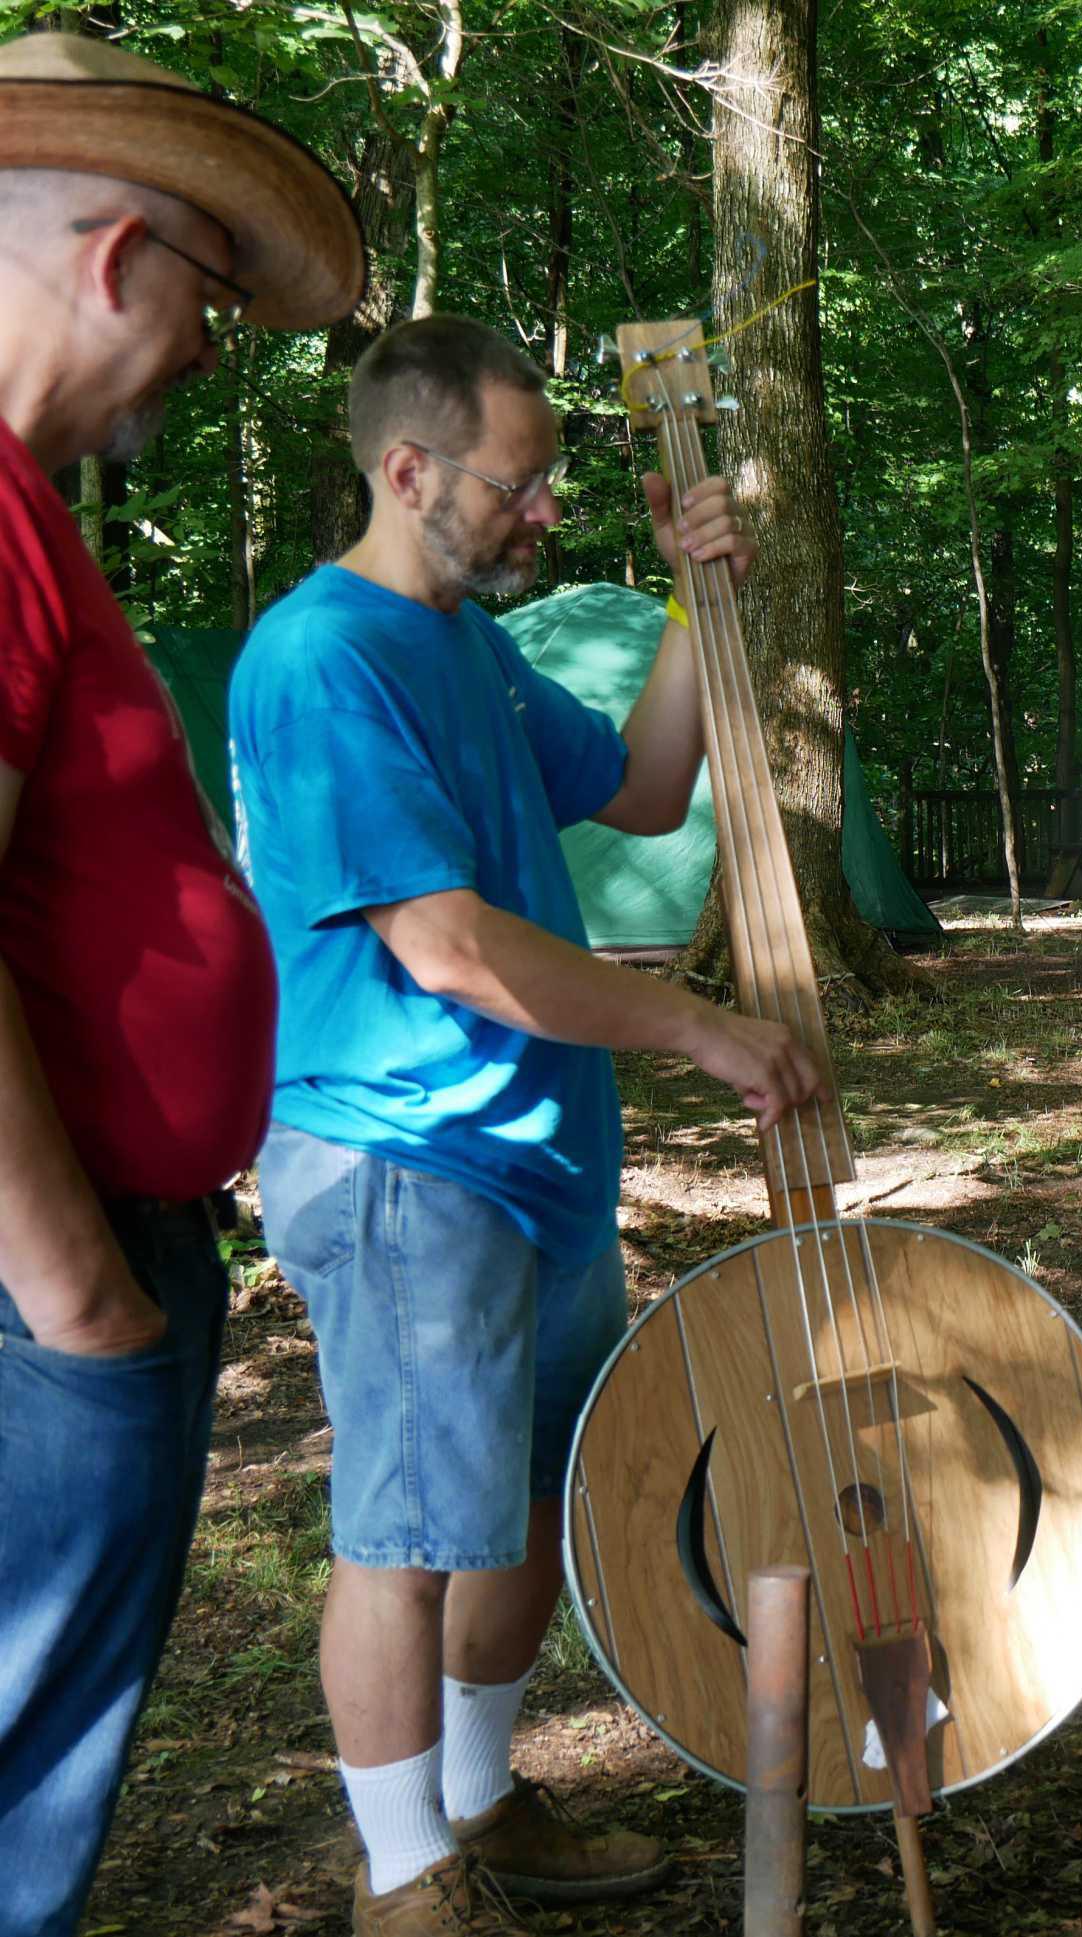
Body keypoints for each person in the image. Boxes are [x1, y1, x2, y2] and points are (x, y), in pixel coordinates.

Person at [229, 314, 825, 1937]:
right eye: (521, 482)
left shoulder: (469, 647)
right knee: (410, 1533)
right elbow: (448, 946)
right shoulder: (322, 656)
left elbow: (639, 788)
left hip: (540, 1163)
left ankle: (482, 1802)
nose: (543, 513)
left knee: (521, 1516)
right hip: (407, 1160)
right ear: (410, 469)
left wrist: (702, 597)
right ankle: (405, 1875)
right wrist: (699, 1023)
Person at [0, 30, 364, 1936]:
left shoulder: (30, 515)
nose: (210, 355)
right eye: (214, 300)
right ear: (121, 254)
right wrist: (77, 1296)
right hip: (45, 1295)